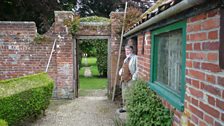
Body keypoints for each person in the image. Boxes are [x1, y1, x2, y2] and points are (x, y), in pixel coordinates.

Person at [118, 44, 138, 113]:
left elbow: (138, 69)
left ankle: (131, 108)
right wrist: (121, 71)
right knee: (124, 94)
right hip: (124, 79)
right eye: (126, 50)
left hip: (130, 80)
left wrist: (133, 78)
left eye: (129, 50)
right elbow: (124, 67)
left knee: (131, 94)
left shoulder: (135, 58)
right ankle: (125, 108)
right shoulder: (125, 59)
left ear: (132, 50)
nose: (127, 51)